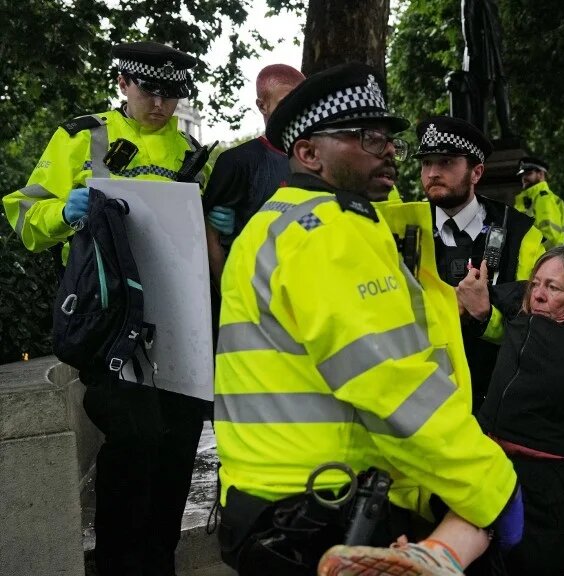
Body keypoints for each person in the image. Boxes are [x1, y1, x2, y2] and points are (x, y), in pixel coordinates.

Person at [213, 63, 523, 576]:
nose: (388, 150)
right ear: (309, 153)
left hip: (269, 505)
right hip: (326, 514)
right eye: (365, 137)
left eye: (387, 137)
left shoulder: (271, 224)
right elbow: (390, 385)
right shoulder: (333, 230)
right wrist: (490, 484)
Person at [2, 41, 210, 576]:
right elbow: (24, 215)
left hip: (175, 321)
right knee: (130, 440)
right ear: (123, 83)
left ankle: (158, 559)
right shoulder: (83, 135)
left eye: (172, 94)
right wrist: (65, 214)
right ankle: (118, 562)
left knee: (178, 439)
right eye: (149, 91)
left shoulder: (189, 151)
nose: (160, 104)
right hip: (108, 315)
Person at [456, 246, 564, 575]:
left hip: (562, 488)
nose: (539, 294)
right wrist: (475, 301)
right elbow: (480, 294)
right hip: (500, 463)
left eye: (553, 287)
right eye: (536, 283)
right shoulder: (521, 305)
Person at [413, 115, 544, 412]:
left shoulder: (521, 235)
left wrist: (485, 314)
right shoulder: (403, 227)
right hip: (418, 402)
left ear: (476, 172)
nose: (432, 172)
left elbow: (538, 329)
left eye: (446, 162)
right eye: (426, 163)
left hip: (493, 401)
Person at [203, 64, 305, 288]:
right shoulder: (237, 162)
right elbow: (211, 239)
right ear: (262, 105)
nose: (296, 110)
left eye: (302, 102)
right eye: (286, 102)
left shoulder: (317, 158)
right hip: (253, 295)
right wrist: (228, 298)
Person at [515, 156, 564, 249]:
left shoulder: (543, 198)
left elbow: (550, 237)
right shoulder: (528, 198)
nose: (524, 178)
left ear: (540, 174)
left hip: (538, 259)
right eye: (523, 175)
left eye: (528, 173)